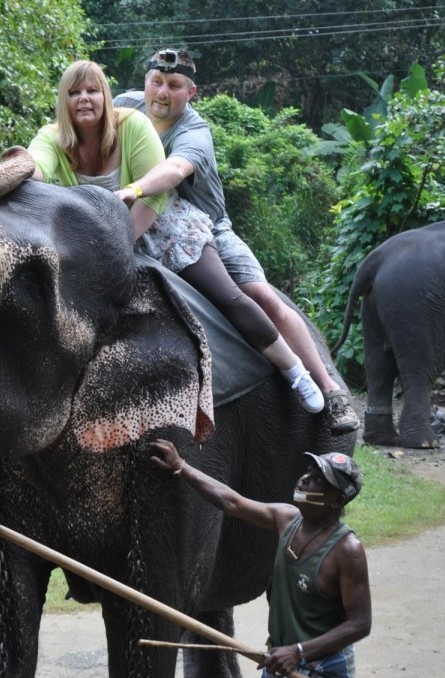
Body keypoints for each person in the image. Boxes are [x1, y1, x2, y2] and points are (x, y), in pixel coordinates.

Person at [28, 60, 327, 414]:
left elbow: (162, 184)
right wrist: (16, 167)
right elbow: (37, 166)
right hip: (101, 240)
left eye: (92, 90)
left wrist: (128, 211)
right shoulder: (53, 136)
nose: (84, 99)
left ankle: (296, 370)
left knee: (230, 294)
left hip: (161, 225)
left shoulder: (138, 124)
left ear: (106, 96)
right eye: (74, 92)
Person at [116, 49, 361, 434]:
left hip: (204, 227)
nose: (162, 93)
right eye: (156, 82)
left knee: (261, 296)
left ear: (191, 92)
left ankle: (330, 391)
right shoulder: (124, 106)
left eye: (174, 85)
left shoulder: (194, 131)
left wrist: (130, 191)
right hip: (137, 224)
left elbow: (175, 169)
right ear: (144, 83)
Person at [148, 439, 371, 678]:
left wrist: (299, 651)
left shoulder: (347, 550)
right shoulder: (287, 519)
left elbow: (360, 623)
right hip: (280, 662)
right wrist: (181, 467)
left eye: (317, 479)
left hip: (324, 671)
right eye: (308, 472)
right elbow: (231, 501)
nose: (304, 480)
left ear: (335, 500)